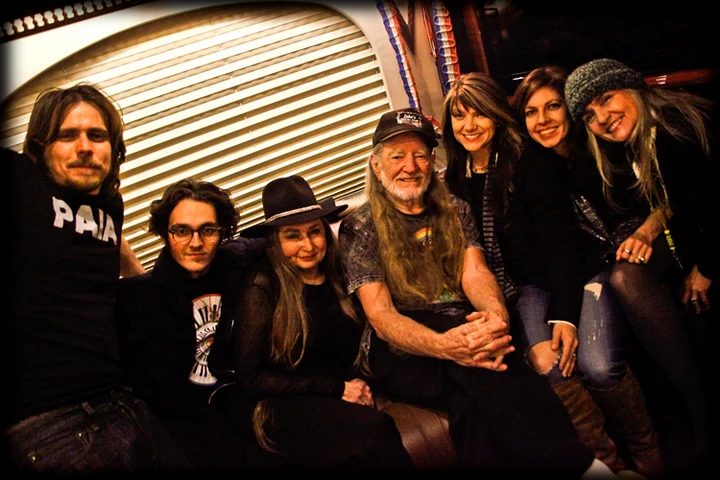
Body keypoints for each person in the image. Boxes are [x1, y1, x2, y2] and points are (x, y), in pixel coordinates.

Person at [338, 107, 611, 476]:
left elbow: (475, 271)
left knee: (473, 398)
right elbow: (381, 316)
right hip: (398, 347)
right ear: (376, 163)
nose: (410, 166)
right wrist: (447, 346)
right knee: (490, 369)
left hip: (460, 325)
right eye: (397, 156)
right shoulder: (361, 226)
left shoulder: (455, 208)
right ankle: (586, 466)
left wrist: (496, 316)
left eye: (420, 155)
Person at [6, 83, 189, 473]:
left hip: (121, 401)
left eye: (97, 135)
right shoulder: (23, 184)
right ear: (40, 148)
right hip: (50, 420)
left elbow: (110, 241)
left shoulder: (109, 202)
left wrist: (144, 284)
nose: (85, 147)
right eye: (67, 136)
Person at [507, 67, 664, 477]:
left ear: (572, 110)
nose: (542, 120)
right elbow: (553, 250)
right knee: (550, 363)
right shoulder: (531, 167)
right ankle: (608, 466)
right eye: (531, 112)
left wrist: (568, 314)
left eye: (553, 107)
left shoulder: (601, 149)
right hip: (540, 282)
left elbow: (649, 203)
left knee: (597, 365)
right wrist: (559, 313)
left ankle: (646, 448)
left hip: (593, 269)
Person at [564, 58, 713, 469]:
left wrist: (705, 269)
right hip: (689, 243)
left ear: (631, 88)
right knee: (625, 278)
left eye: (606, 99)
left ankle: (699, 415)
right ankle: (694, 412)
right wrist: (647, 232)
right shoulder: (636, 140)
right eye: (589, 115)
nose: (602, 118)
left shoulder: (676, 130)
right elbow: (675, 200)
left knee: (657, 294)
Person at [224, 175, 413, 469]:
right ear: (275, 241)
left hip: (336, 389)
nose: (308, 245)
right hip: (283, 402)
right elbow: (251, 379)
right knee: (376, 431)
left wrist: (358, 383)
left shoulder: (338, 271)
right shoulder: (262, 287)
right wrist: (337, 389)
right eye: (293, 236)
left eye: (314, 231)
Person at [115, 178, 268, 470]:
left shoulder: (233, 259)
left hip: (233, 396)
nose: (195, 243)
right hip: (178, 420)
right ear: (165, 233)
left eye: (207, 230)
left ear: (222, 232)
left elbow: (282, 237)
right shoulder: (136, 297)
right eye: (182, 231)